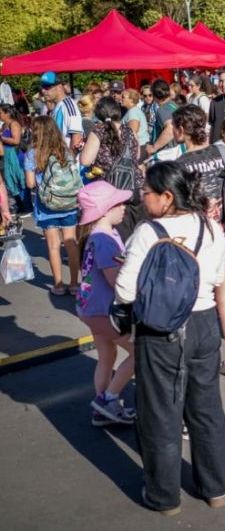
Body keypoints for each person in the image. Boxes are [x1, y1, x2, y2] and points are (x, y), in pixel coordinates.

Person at [114, 162, 225, 514]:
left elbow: (124, 289)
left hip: (161, 330)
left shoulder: (150, 232)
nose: (141, 198)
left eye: (145, 192)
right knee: (206, 408)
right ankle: (215, 488)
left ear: (166, 197)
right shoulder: (210, 226)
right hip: (206, 323)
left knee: (161, 412)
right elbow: (218, 275)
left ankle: (164, 497)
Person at [173, 105, 225, 381]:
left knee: (197, 303)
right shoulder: (224, 152)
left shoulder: (180, 165)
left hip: (200, 243)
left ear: (181, 130)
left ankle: (198, 359)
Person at [76, 181, 135, 426]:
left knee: (106, 355)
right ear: (104, 209)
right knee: (141, 353)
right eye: (118, 203)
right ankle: (108, 400)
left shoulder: (98, 235)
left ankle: (102, 408)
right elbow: (116, 282)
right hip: (105, 311)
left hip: (89, 308)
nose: (124, 207)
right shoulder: (105, 240)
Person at [24, 116, 80, 295]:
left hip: (47, 204)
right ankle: (74, 284)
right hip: (69, 202)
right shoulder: (65, 150)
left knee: (54, 245)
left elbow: (30, 184)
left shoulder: (32, 153)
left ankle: (58, 285)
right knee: (71, 243)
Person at [80, 97, 145, 241]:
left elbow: (85, 160)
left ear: (99, 114)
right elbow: (138, 155)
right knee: (136, 237)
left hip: (111, 192)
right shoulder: (130, 131)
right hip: (134, 188)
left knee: (116, 239)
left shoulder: (98, 131)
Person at [40, 72, 83, 153]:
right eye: (42, 87)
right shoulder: (58, 106)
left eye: (47, 87)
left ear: (59, 87)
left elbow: (77, 138)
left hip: (67, 162)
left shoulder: (68, 106)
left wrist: (70, 163)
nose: (43, 90)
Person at [146, 79, 180, 159]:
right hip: (175, 150)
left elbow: (170, 129)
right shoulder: (173, 104)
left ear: (154, 95)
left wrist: (154, 147)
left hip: (168, 153)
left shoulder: (163, 109)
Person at [121, 89, 151, 153]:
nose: (121, 99)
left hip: (139, 147)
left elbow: (132, 133)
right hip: (140, 146)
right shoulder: (132, 111)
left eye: (123, 97)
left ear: (131, 100)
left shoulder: (133, 112)